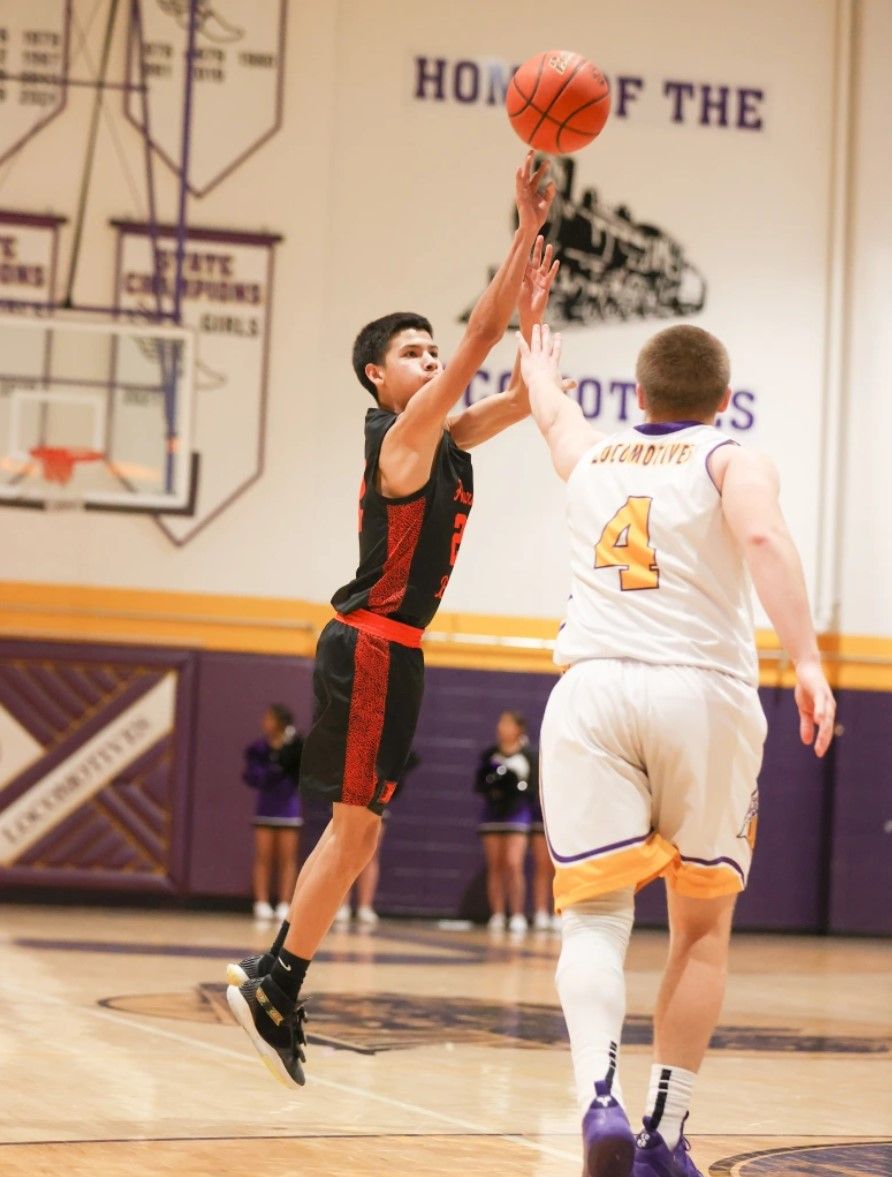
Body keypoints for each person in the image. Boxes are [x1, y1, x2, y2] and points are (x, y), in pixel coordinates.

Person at [226, 153, 558, 1087]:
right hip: (372, 641)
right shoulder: (405, 438)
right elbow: (481, 338)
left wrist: (536, 310)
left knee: (360, 830)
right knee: (354, 827)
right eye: (413, 353)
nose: (429, 360)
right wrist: (525, 226)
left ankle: (277, 975)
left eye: (430, 351)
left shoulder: (446, 434)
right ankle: (277, 978)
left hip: (393, 651)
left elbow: (529, 395)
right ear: (378, 376)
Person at [517, 322, 836, 1177]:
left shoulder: (593, 458)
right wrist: (807, 659)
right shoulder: (733, 458)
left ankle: (597, 1100)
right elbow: (764, 539)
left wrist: (537, 361)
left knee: (593, 917)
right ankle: (663, 1133)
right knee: (701, 928)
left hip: (591, 691)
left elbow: (554, 416)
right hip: (702, 693)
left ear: (640, 393)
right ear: (724, 400)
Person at [334, 751, 420, 927]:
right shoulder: (357, 740)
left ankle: (365, 905)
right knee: (345, 852)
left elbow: (407, 760)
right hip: (350, 800)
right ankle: (341, 904)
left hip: (376, 802)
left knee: (370, 854)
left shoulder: (389, 746)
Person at [474, 710, 538, 933]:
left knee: (513, 863)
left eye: (507, 724)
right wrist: (494, 787)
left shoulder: (528, 755)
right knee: (495, 865)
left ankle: (518, 914)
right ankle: (498, 914)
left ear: (519, 729)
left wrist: (514, 790)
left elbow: (532, 787)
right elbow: (479, 784)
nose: (502, 728)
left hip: (517, 813)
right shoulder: (490, 754)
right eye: (500, 723)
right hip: (493, 814)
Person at [242, 704, 303, 921]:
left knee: (287, 858)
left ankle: (285, 903)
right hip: (266, 808)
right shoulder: (259, 748)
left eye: (269, 718)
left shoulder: (296, 745)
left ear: (280, 722)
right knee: (263, 856)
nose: (264, 722)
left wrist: (287, 750)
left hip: (288, 808)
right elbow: (252, 776)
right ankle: (261, 902)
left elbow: (302, 772)